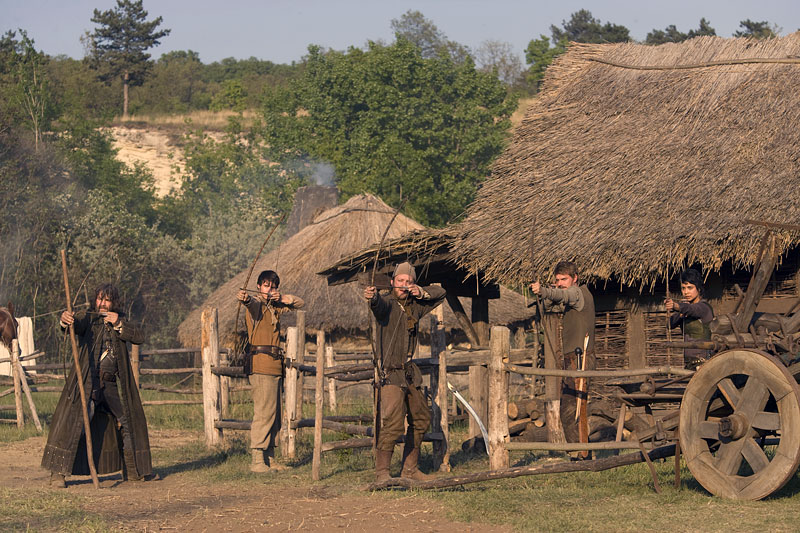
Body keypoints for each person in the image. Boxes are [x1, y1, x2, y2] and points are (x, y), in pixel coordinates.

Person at [42, 284, 152, 488]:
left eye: (107, 300)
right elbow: (74, 324)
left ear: (114, 303)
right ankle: (58, 473)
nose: (102, 303)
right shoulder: (89, 319)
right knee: (77, 424)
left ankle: (133, 472)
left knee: (128, 422)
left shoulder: (120, 321)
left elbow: (139, 336)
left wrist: (118, 322)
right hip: (88, 383)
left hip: (110, 387)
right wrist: (66, 320)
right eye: (100, 299)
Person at [363, 262, 446, 482]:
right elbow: (377, 305)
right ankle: (382, 473)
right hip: (390, 373)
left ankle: (410, 470)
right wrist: (372, 297)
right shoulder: (387, 303)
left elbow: (441, 293)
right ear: (392, 283)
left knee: (421, 417)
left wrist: (421, 291)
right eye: (400, 281)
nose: (404, 285)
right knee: (392, 422)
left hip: (409, 371)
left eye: (408, 282)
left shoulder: (415, 305)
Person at [237, 270, 304, 473]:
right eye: (266, 286)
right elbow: (251, 304)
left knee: (275, 415)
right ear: (258, 286)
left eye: (273, 286)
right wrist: (246, 299)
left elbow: (300, 303)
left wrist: (281, 297)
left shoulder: (275, 307)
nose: (270, 289)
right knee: (264, 412)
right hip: (261, 365)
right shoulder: (256, 306)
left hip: (275, 365)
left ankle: (270, 458)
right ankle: (257, 460)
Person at [530, 261, 595, 444]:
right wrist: (544, 296)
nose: (560, 283)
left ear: (575, 278)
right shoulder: (570, 296)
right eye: (557, 280)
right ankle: (580, 453)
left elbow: (561, 294)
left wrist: (543, 291)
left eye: (564, 279)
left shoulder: (577, 293)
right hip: (573, 359)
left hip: (580, 359)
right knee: (572, 409)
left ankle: (580, 454)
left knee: (571, 410)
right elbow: (553, 302)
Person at [665, 268, 715, 369]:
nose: (686, 292)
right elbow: (669, 324)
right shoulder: (686, 310)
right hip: (689, 363)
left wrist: (675, 306)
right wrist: (680, 314)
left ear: (699, 289)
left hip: (704, 362)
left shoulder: (704, 307)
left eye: (690, 288)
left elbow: (692, 309)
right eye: (683, 288)